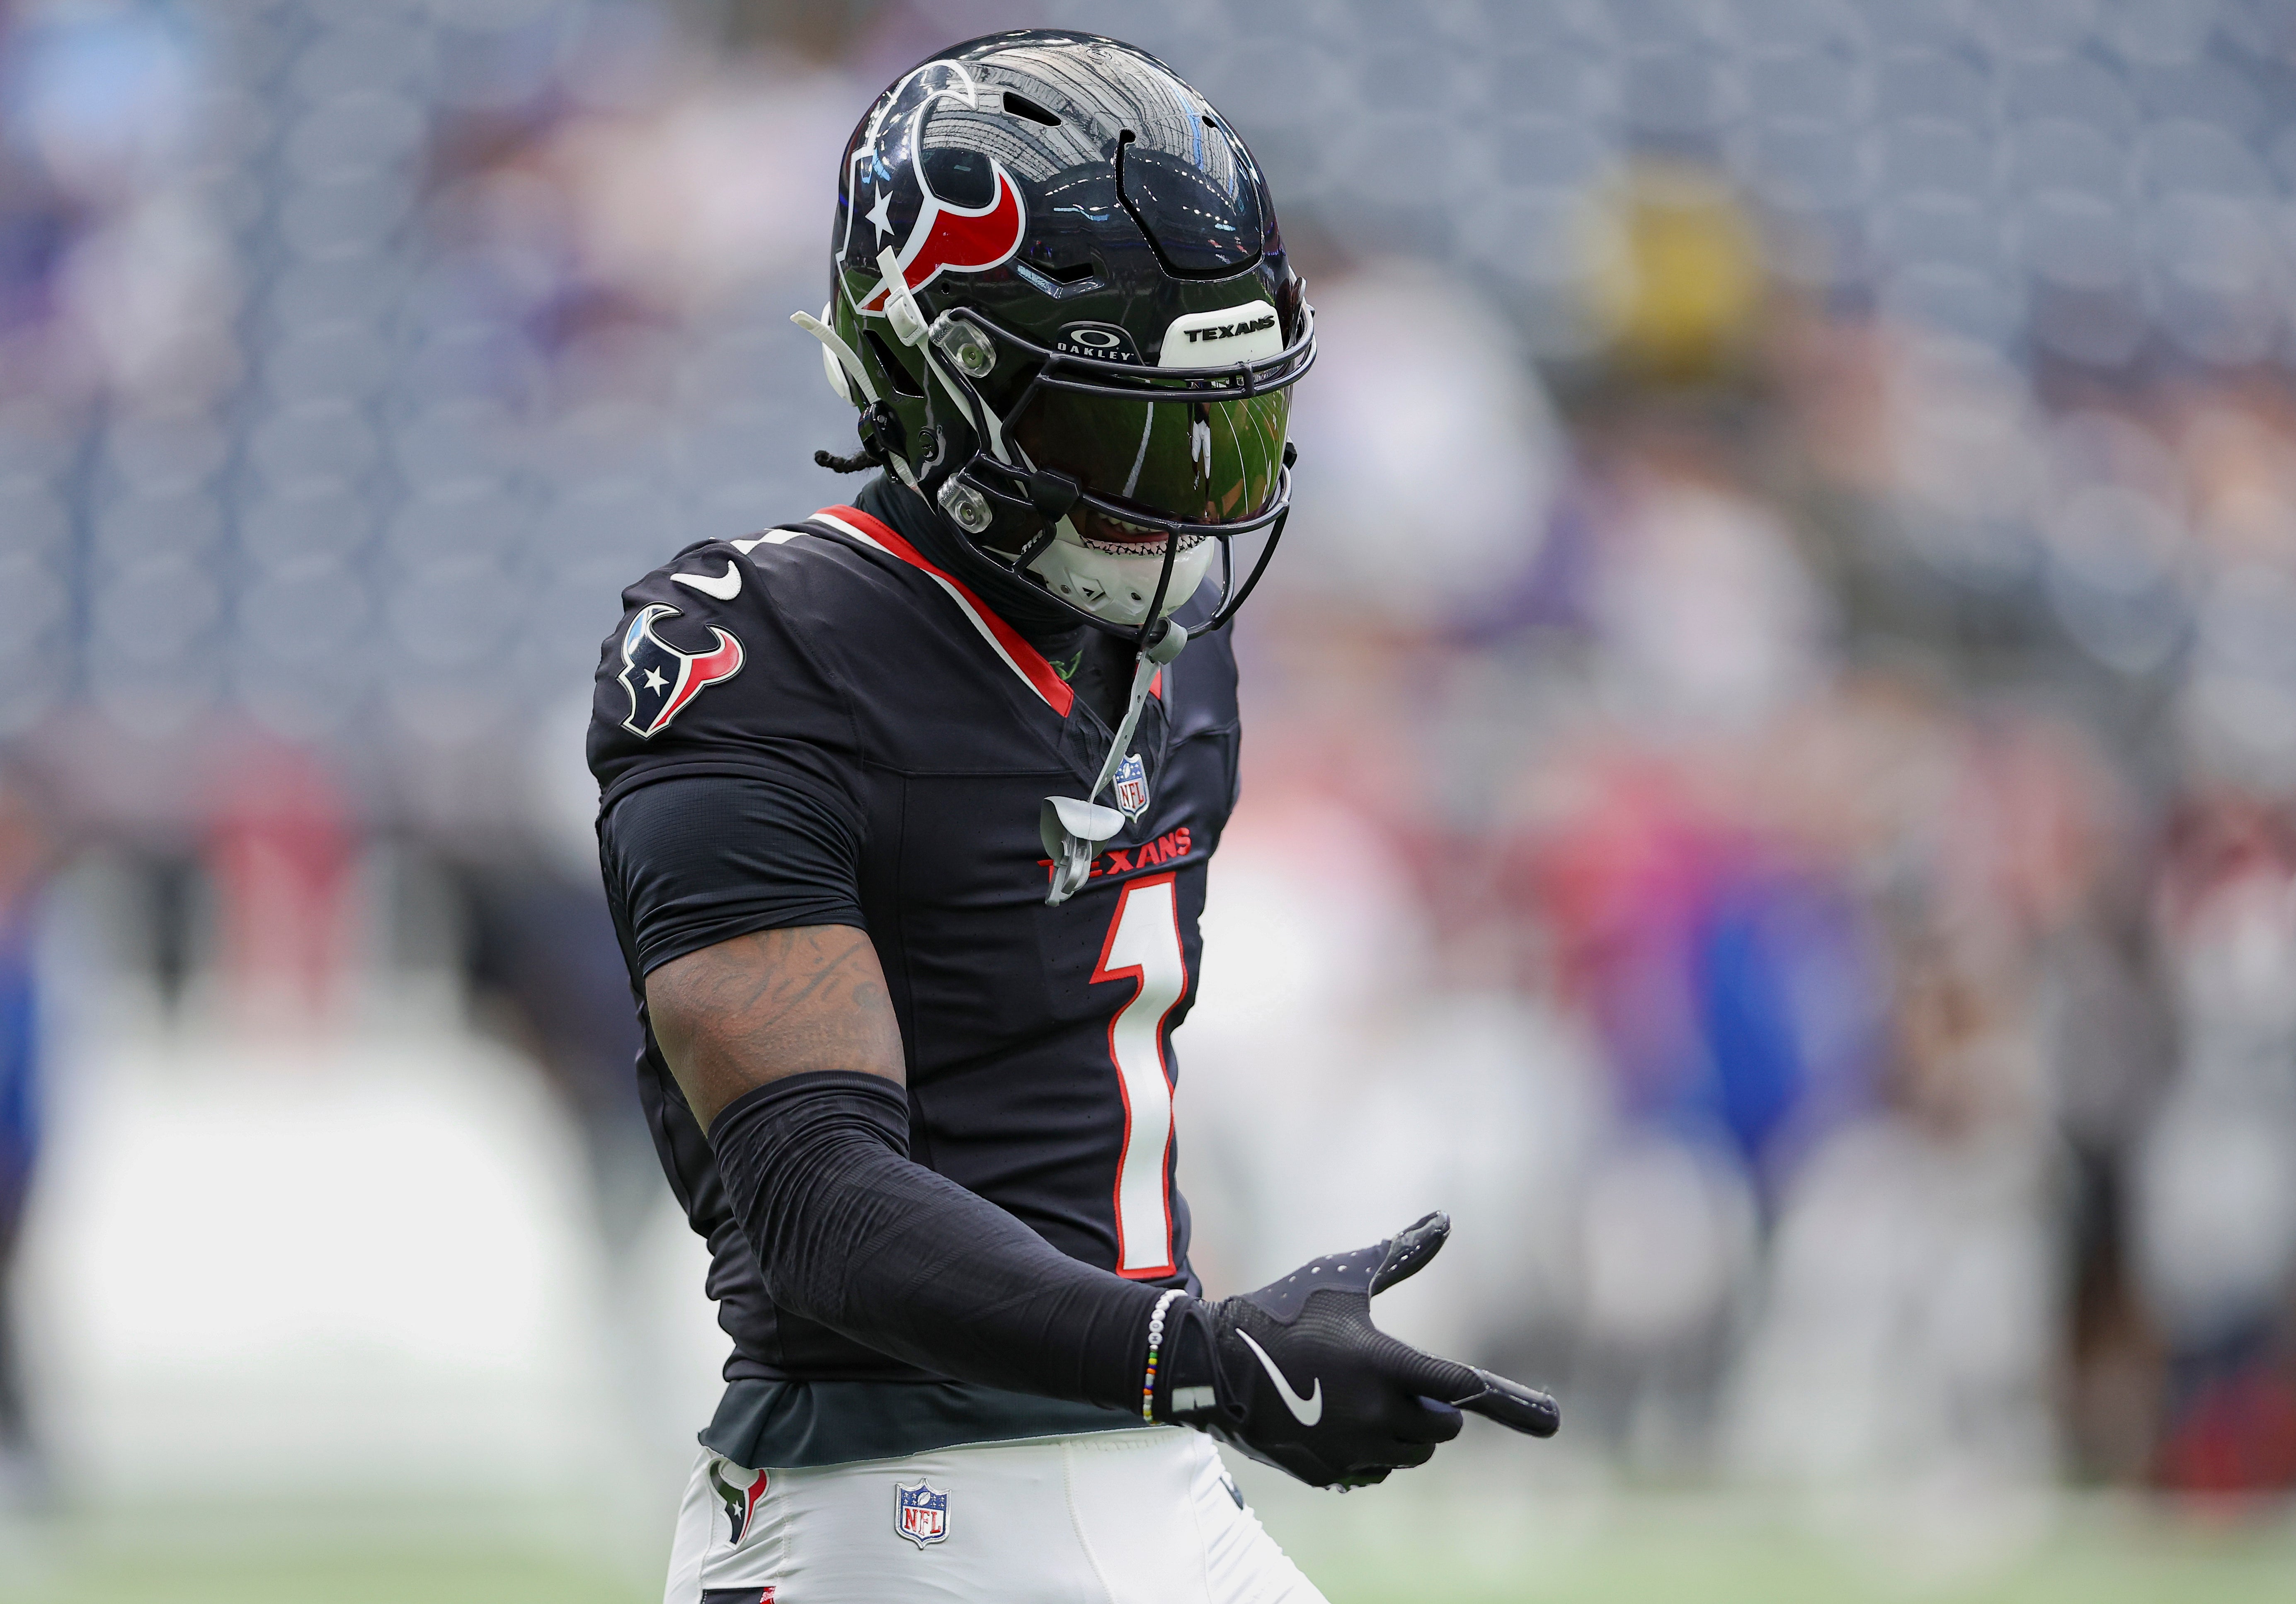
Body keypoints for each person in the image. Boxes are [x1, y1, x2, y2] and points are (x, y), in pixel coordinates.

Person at [587, 33, 1556, 1602]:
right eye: (1120, 433)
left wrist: (1186, 1370)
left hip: (1154, 1472)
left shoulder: (1180, 653)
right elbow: (818, 1199)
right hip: (888, 1503)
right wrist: (1203, 1354)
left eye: (1221, 430)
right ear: (931, 379)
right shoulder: (751, 654)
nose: (1179, 503)